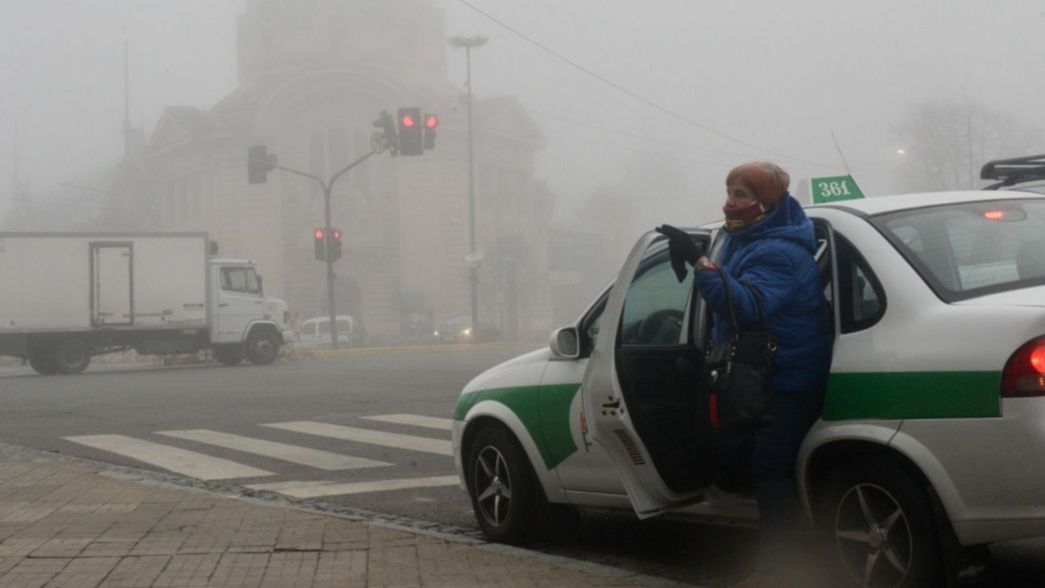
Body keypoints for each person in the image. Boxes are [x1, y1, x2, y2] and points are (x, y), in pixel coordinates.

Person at [658, 161, 833, 587]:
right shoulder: (746, 239)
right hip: (764, 375)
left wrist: (701, 264)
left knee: (771, 467)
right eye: (729, 191)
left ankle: (779, 571)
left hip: (789, 379)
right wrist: (703, 259)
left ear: (766, 203)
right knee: (743, 456)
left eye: (741, 194)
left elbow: (746, 306)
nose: (730, 202)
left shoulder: (778, 251)